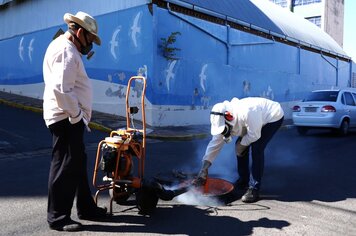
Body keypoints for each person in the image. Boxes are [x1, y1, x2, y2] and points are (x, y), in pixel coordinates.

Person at [43, 11, 107, 231]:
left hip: (67, 116)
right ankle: (58, 218)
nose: (90, 46)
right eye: (90, 40)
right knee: (65, 165)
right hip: (66, 117)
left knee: (77, 162)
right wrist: (77, 116)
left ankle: (86, 208)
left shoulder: (64, 46)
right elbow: (61, 90)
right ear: (80, 32)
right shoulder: (66, 51)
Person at [193, 97, 284, 203]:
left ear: (229, 117)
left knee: (257, 148)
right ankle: (243, 180)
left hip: (272, 117)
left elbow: (254, 135)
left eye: (224, 129)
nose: (224, 132)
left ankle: (254, 188)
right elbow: (215, 144)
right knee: (239, 147)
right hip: (254, 122)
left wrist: (242, 144)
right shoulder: (221, 119)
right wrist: (204, 168)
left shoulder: (248, 111)